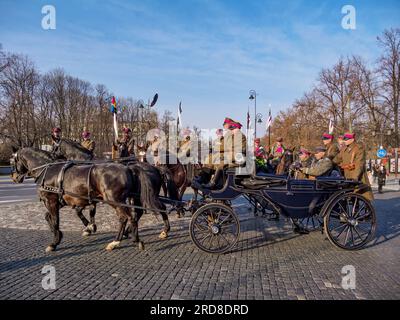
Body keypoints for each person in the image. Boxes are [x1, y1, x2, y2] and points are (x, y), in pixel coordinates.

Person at [202, 118, 247, 188]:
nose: (231, 131)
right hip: (232, 158)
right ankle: (204, 179)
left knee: (221, 164)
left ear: (237, 129)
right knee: (211, 160)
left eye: (232, 129)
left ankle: (213, 183)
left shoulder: (241, 137)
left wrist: (224, 156)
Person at [333, 132, 373, 201]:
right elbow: (337, 159)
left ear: (352, 139)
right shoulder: (344, 149)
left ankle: (356, 210)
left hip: (357, 176)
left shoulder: (358, 148)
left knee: (358, 196)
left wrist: (354, 179)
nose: (344, 141)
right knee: (346, 197)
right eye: (344, 139)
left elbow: (359, 164)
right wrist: (328, 163)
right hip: (347, 176)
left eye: (346, 139)